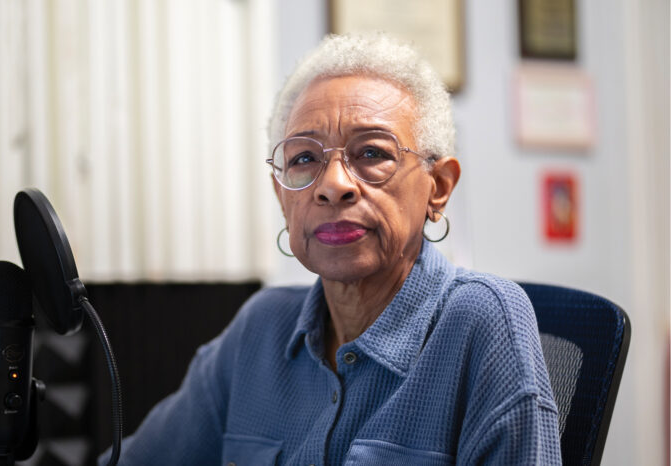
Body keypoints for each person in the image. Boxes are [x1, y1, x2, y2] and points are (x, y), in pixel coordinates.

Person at [100, 33, 562, 465]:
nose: (333, 186)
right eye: (304, 159)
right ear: (283, 199)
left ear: (438, 188)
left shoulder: (484, 320)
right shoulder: (259, 329)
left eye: (372, 153)